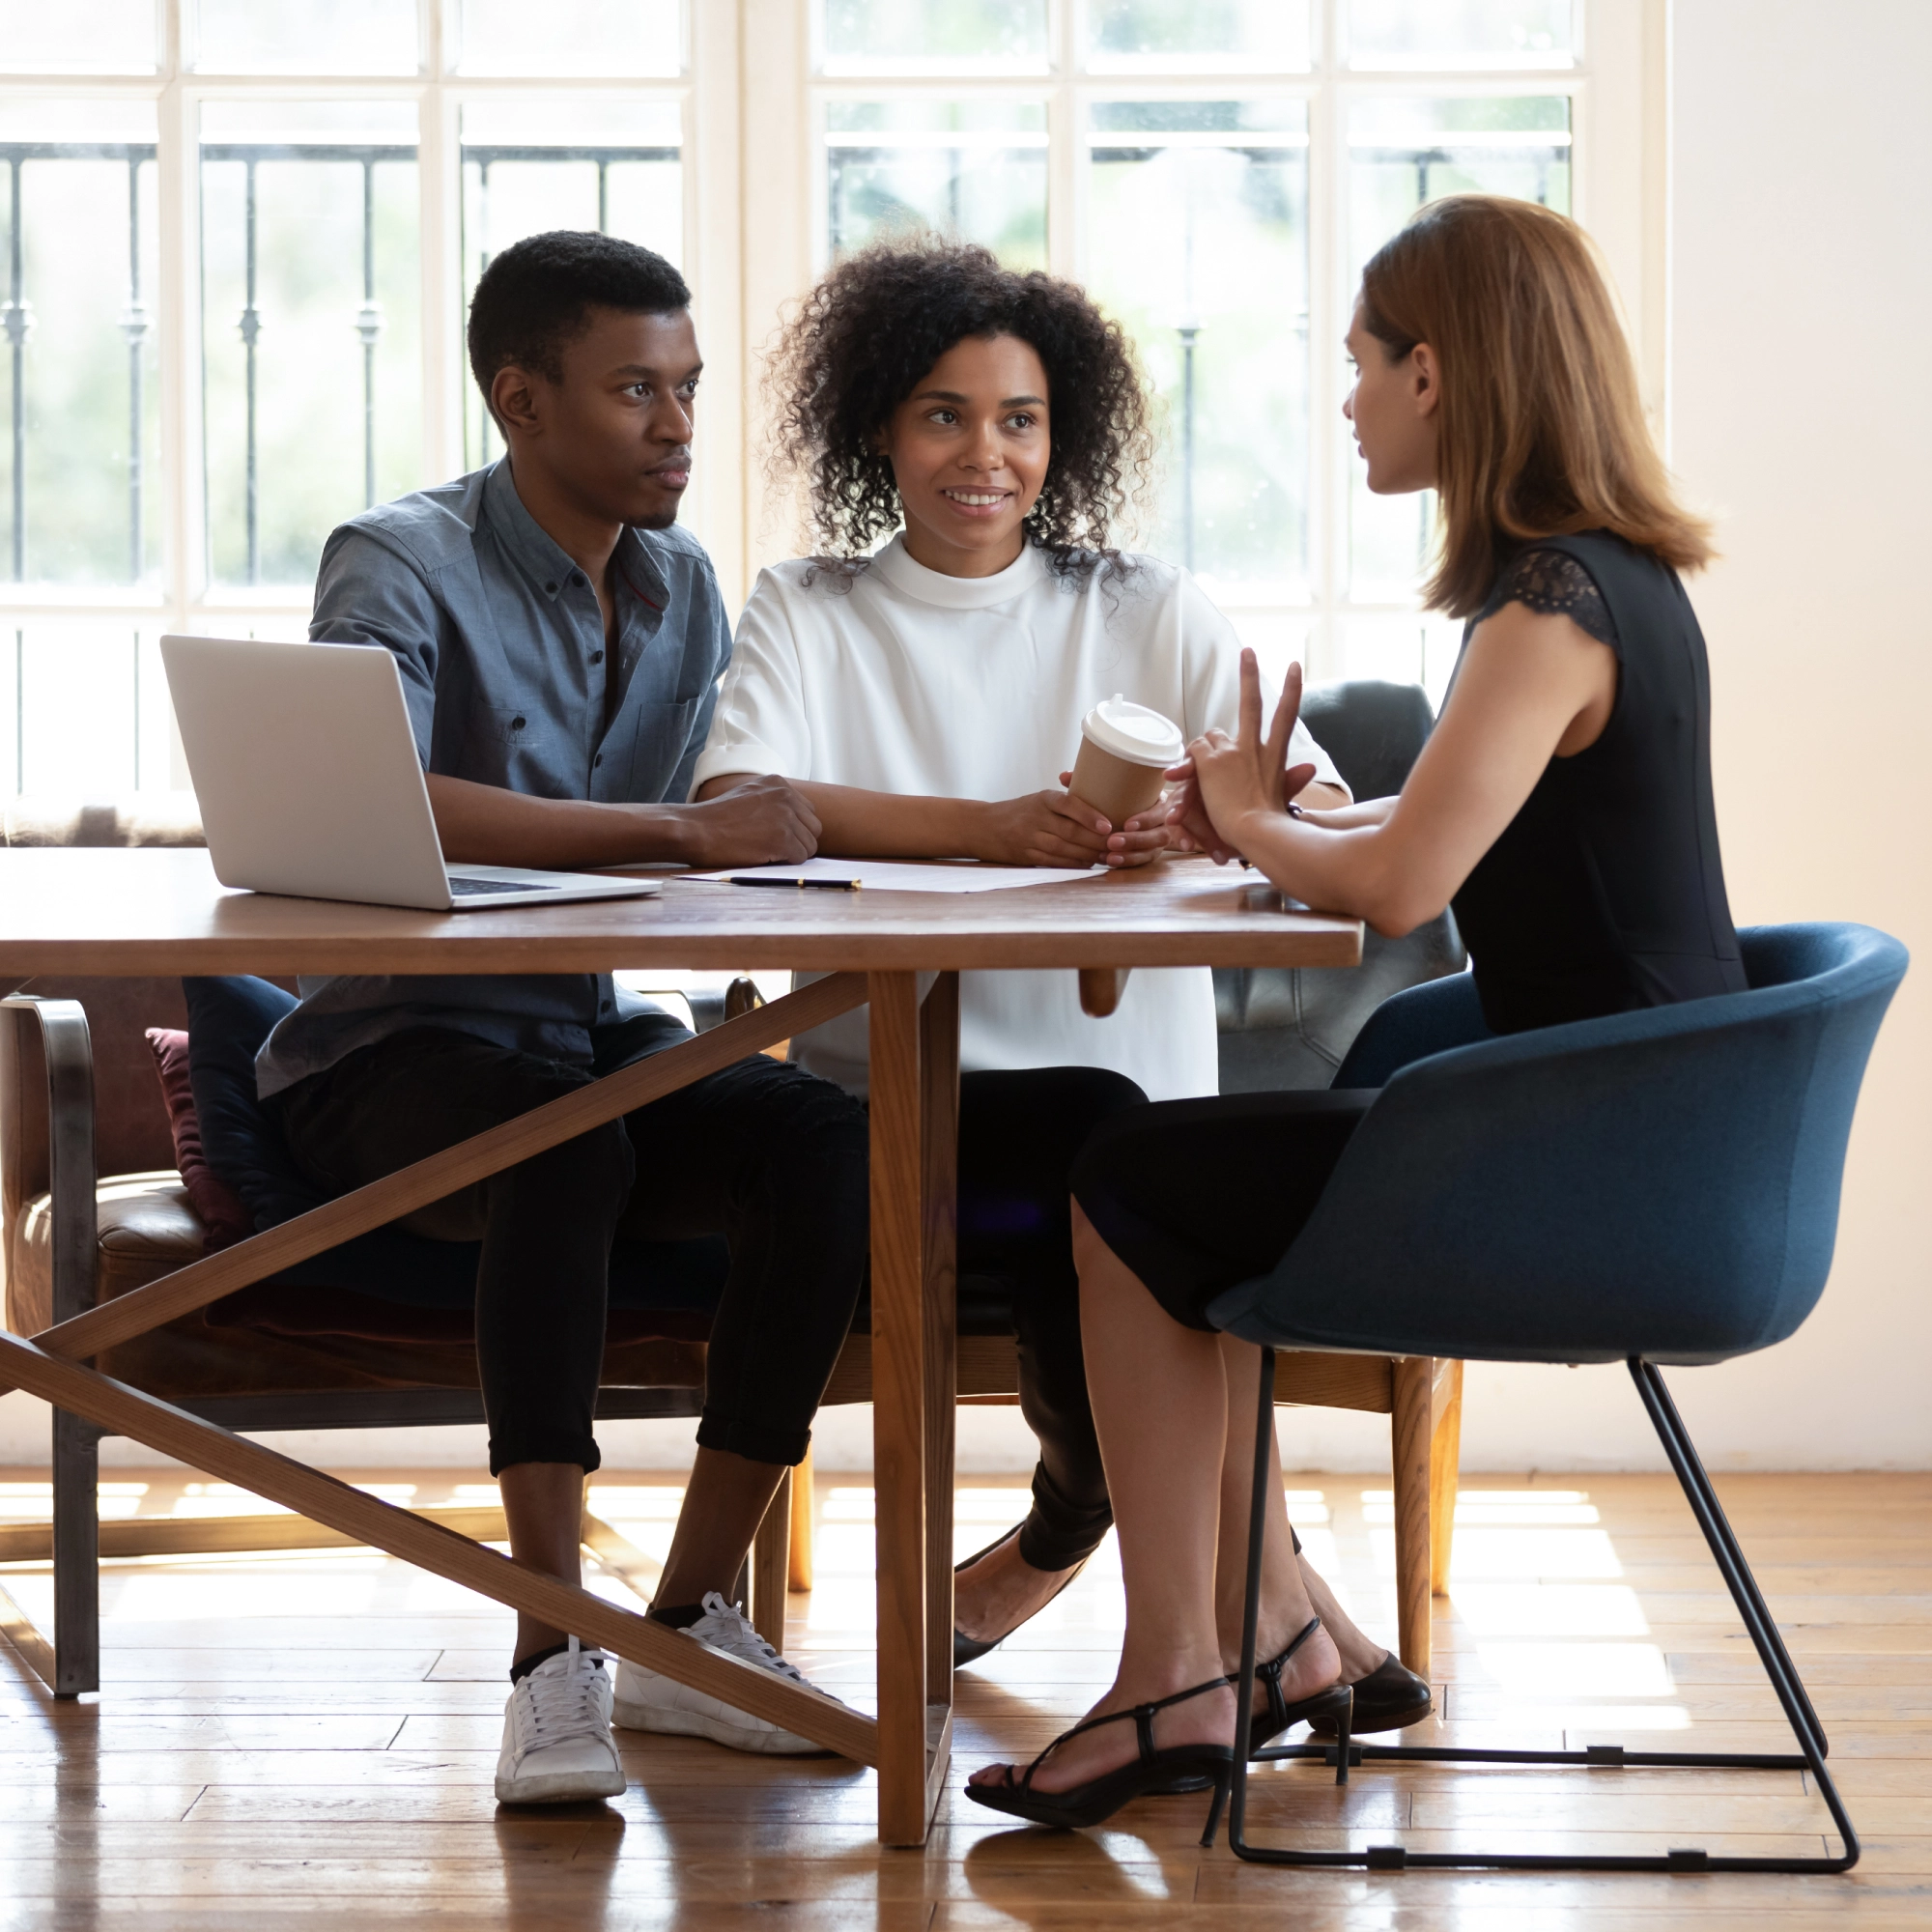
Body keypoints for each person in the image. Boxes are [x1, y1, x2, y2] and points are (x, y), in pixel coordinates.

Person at [967, 192, 1740, 1826]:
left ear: (1440, 376)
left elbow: (1398, 892)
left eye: (1362, 366)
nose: (1347, 402)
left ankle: (1186, 1671)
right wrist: (1255, 824)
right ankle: (1265, 1640)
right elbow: (1400, 846)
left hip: (1598, 1165)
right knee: (1178, 1179)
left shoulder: (1551, 611)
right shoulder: (1609, 586)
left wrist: (1249, 818)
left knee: (1126, 1181)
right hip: (1633, 1129)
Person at [692, 237, 1419, 1731]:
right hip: (896, 1104)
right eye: (944, 414)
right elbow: (739, 805)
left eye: (1019, 419)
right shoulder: (811, 607)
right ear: (879, 431)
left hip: (1130, 1099)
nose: (986, 454)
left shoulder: (1142, 602)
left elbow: (1319, 807)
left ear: (1059, 436)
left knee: (1131, 1164)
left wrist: (1216, 821)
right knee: (1118, 1175)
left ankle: (1212, 1605)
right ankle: (1288, 1615)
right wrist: (992, 831)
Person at [259, 231, 873, 1806]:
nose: (677, 427)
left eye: (686, 390)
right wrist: (674, 840)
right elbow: (378, 797)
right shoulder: (396, 559)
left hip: (582, 1040)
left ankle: (684, 1627)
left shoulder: (683, 585)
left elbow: (729, 803)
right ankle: (550, 1653)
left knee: (830, 1143)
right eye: (632, 393)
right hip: (385, 1057)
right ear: (519, 400)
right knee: (570, 1145)